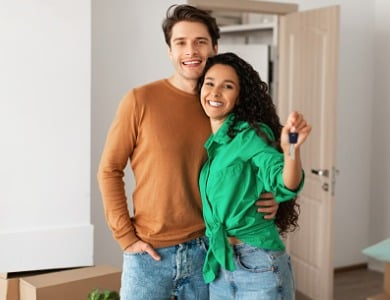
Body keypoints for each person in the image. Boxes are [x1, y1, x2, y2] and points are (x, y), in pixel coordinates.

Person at [97, 5, 278, 300]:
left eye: (200, 42)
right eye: (180, 42)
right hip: (149, 255)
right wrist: (125, 237)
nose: (190, 50)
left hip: (207, 252)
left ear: (215, 47)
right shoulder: (139, 100)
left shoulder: (225, 108)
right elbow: (109, 169)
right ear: (170, 51)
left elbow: (261, 165)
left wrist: (272, 198)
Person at [196, 52, 312, 300]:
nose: (215, 92)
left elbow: (284, 182)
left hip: (257, 265)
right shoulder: (214, 143)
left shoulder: (249, 135)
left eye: (227, 86)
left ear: (239, 98)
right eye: (210, 83)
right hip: (220, 266)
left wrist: (291, 147)